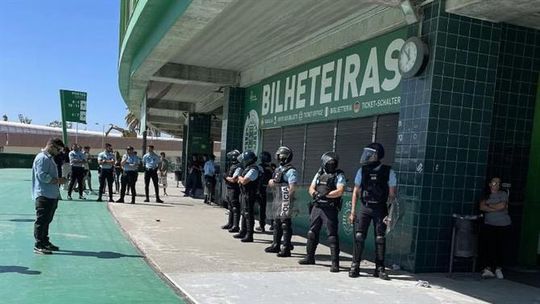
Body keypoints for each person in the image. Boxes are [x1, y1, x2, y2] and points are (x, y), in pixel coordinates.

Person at [348, 143, 397, 280]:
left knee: (380, 238)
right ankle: (355, 265)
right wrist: (352, 212)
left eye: (370, 154)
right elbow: (355, 192)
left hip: (380, 208)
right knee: (359, 236)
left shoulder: (389, 171)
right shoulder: (362, 171)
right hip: (365, 207)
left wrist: (390, 214)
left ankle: (379, 268)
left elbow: (392, 195)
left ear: (376, 155)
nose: (366, 156)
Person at [299, 152, 345, 272]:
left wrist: (326, 195)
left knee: (332, 236)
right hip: (317, 207)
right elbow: (311, 188)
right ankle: (310, 257)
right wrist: (316, 194)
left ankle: (335, 263)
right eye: (329, 163)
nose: (331, 165)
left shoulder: (339, 175)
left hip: (330, 208)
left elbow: (340, 191)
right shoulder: (319, 173)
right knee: (312, 233)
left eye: (333, 163)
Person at [31, 138, 66, 254]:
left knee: (47, 220)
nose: (59, 152)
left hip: (51, 194)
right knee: (41, 220)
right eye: (58, 149)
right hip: (44, 194)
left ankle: (45, 241)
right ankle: (38, 244)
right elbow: (42, 176)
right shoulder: (42, 158)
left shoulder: (49, 158)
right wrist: (58, 181)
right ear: (51, 146)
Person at [265, 146, 298, 258]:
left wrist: (288, 202)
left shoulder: (291, 171)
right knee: (276, 223)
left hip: (285, 199)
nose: (278, 157)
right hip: (277, 198)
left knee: (285, 224)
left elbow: (292, 187)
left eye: (280, 155)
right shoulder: (278, 169)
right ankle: (276, 244)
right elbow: (273, 182)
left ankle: (286, 247)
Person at [479, 177, 511, 279]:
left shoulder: (503, 194)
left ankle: (498, 268)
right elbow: (482, 207)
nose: (496, 184)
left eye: (498, 183)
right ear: (490, 184)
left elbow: (502, 206)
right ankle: (488, 268)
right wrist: (495, 208)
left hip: (503, 224)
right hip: (489, 224)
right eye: (494, 182)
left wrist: (489, 206)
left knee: (500, 247)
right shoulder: (485, 195)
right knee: (489, 246)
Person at [235, 150, 260, 242]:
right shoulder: (248, 168)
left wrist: (239, 178)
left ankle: (249, 235)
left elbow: (245, 180)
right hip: (244, 193)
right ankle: (243, 231)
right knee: (243, 213)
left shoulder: (253, 169)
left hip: (250, 193)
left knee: (248, 214)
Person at [221, 149, 242, 232]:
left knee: (235, 207)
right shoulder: (233, 166)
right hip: (229, 188)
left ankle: (235, 226)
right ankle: (230, 223)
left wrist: (226, 177)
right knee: (230, 207)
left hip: (234, 189)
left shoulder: (239, 167)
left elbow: (234, 179)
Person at [255, 151, 274, 232]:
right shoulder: (273, 167)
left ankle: (262, 226)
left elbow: (258, 178)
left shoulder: (259, 167)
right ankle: (273, 225)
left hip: (262, 189)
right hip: (271, 189)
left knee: (262, 208)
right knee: (272, 207)